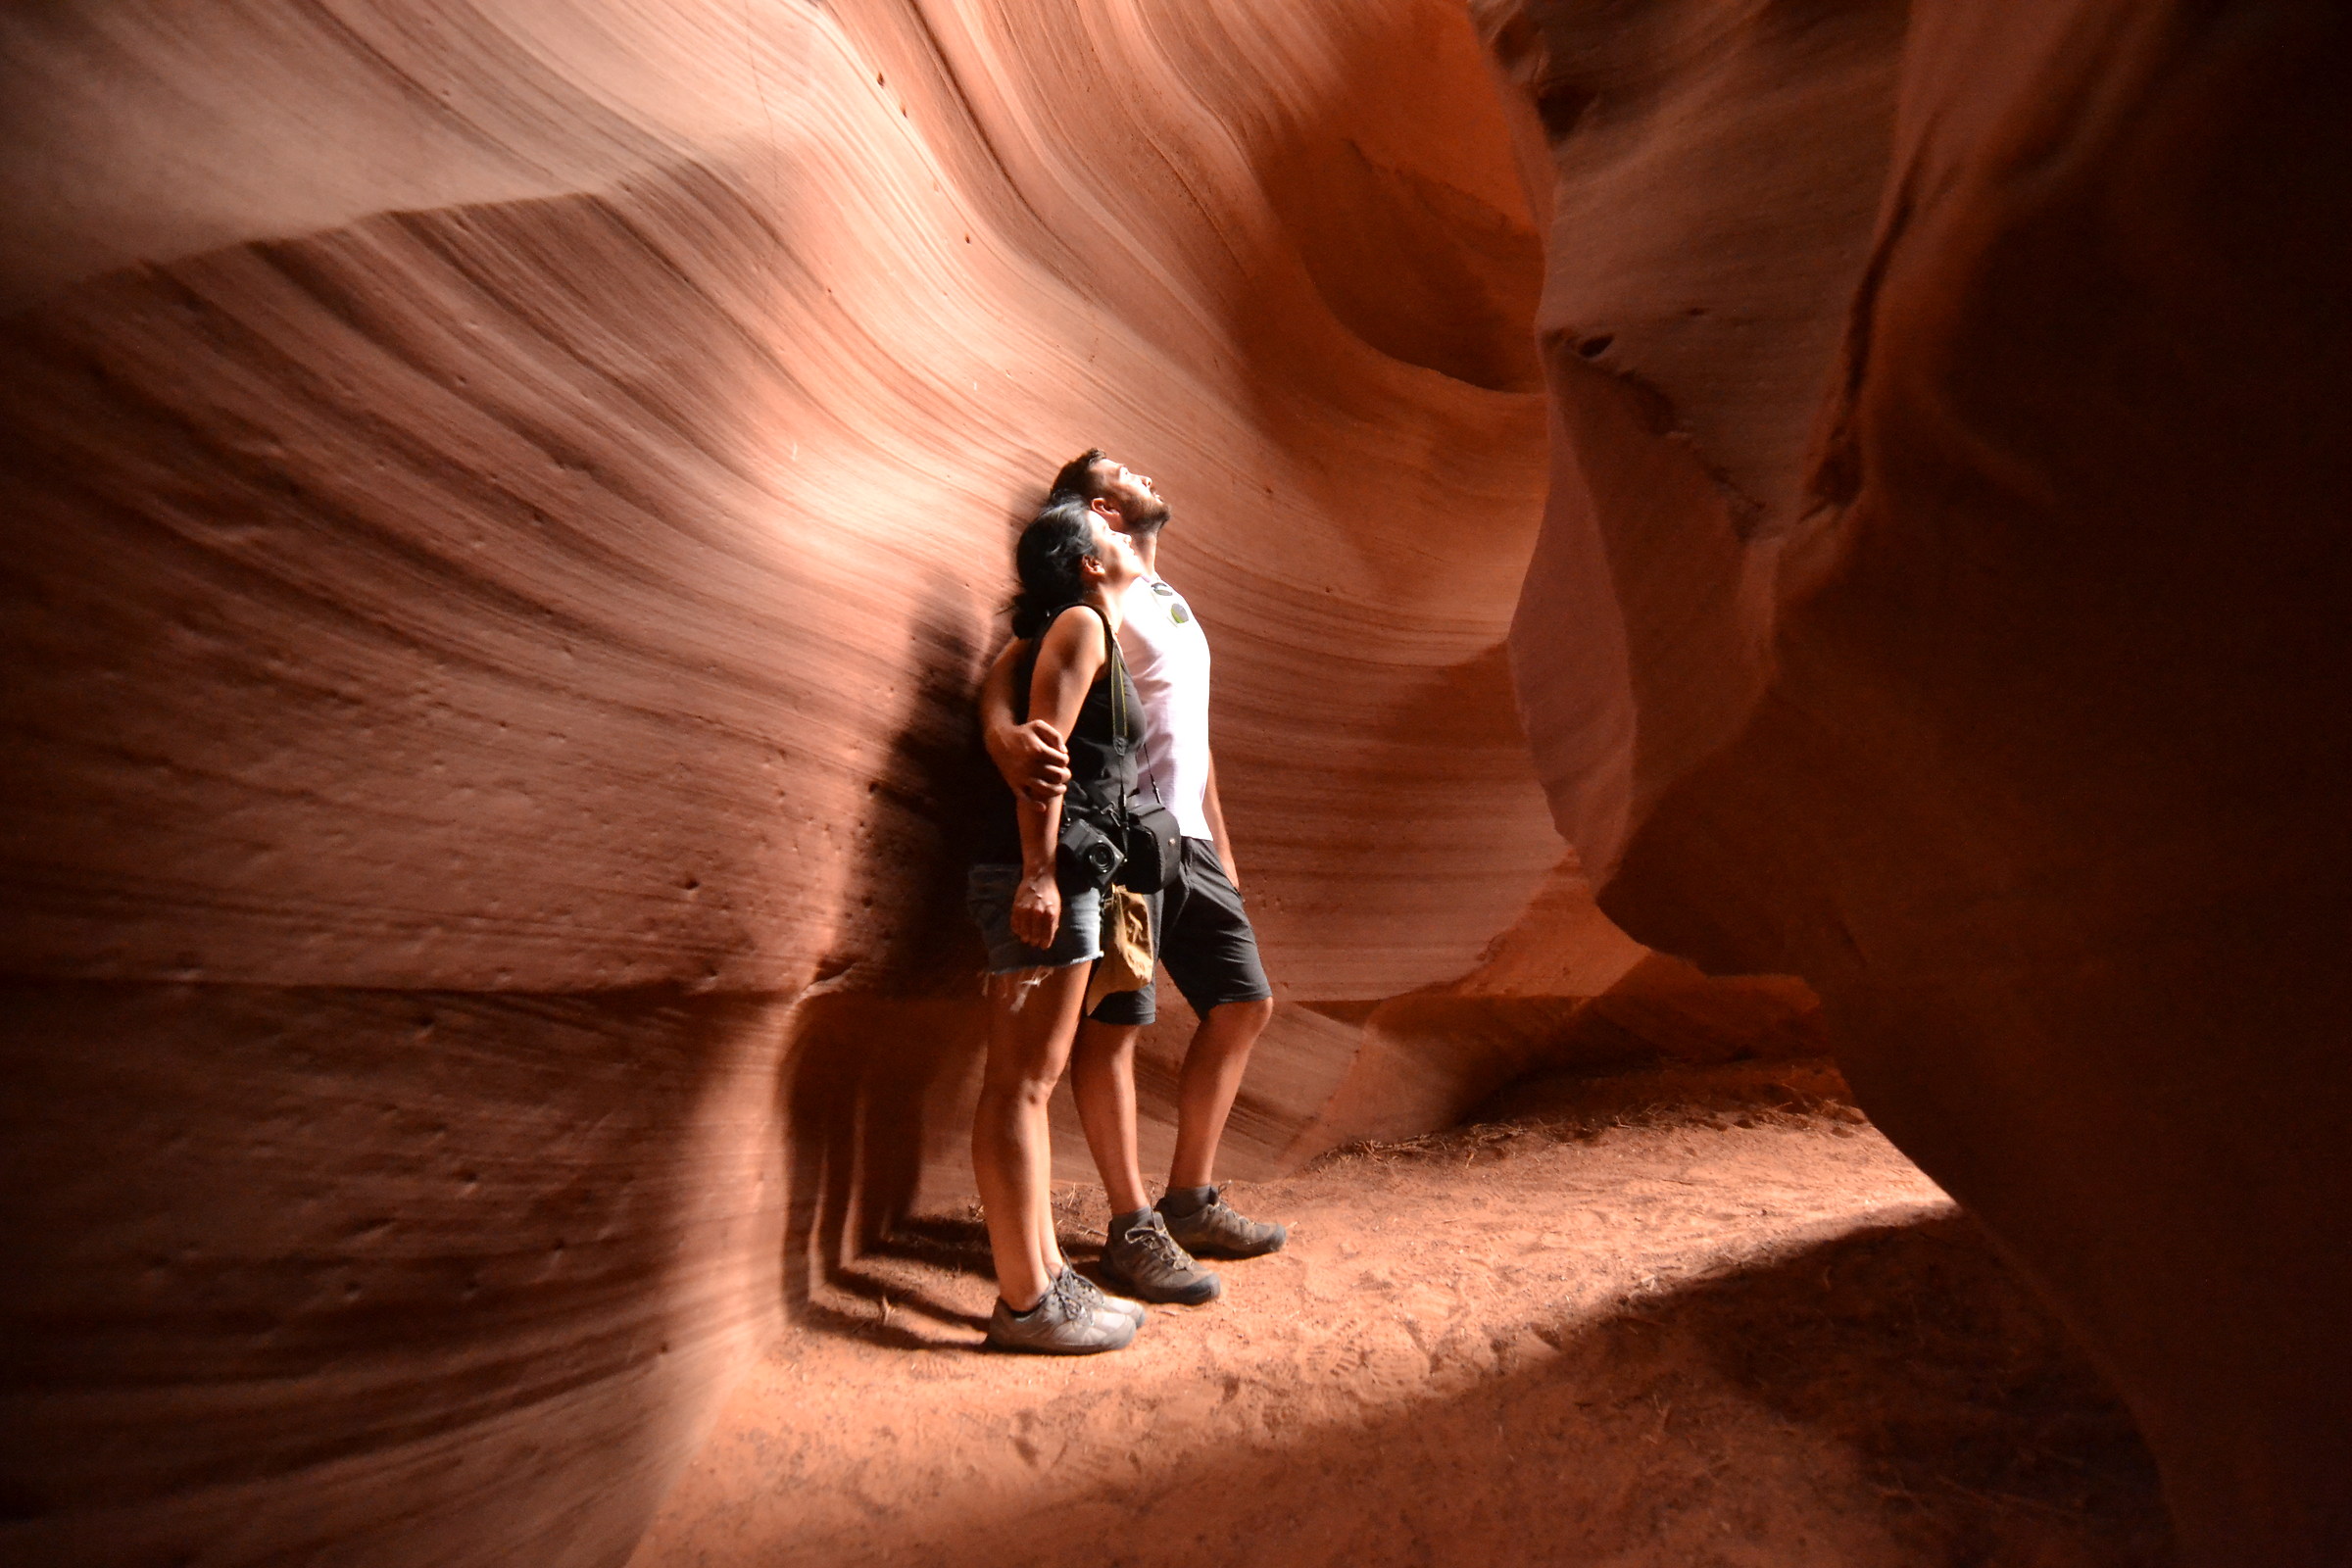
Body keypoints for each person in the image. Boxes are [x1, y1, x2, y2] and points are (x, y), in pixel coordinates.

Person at [978, 450, 1283, 1309]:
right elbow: (1007, 675)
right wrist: (1004, 734)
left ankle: (1190, 1197)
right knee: (1114, 1028)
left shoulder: (1164, 600)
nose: (1147, 474)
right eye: (1123, 474)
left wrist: (1220, 844)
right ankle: (1133, 1223)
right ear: (1100, 516)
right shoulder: (1086, 609)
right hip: (1124, 844)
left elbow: (1196, 733)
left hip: (1186, 840)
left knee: (1245, 1003)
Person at [966, 496, 1157, 1354]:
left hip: (1064, 866)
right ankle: (1024, 1302)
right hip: (1038, 868)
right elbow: (1043, 757)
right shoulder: (1080, 625)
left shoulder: (1078, 627)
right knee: (1019, 1083)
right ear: (1085, 562)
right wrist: (1039, 876)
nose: (1124, 537)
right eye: (1108, 531)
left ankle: (1042, 1276)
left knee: (1031, 1082)